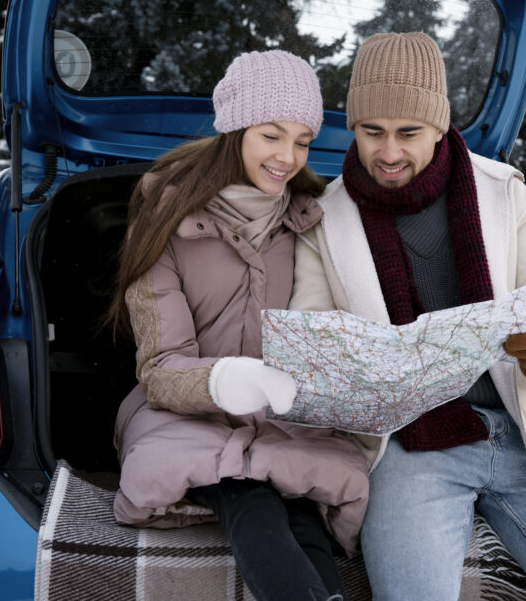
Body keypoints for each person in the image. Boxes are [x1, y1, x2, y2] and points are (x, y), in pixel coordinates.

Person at [289, 32, 526, 601]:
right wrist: (363, 370)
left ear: (439, 127)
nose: (388, 152)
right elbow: (313, 338)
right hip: (409, 448)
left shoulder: (505, 195)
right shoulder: (322, 221)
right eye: (371, 132)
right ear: (353, 129)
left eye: (408, 133)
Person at [108, 50, 369, 601]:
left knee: (300, 510)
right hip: (179, 417)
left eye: (302, 140)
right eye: (272, 135)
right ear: (235, 127)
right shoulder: (165, 221)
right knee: (250, 499)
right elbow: (159, 369)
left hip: (282, 419)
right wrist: (230, 380)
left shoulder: (309, 220)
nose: (288, 157)